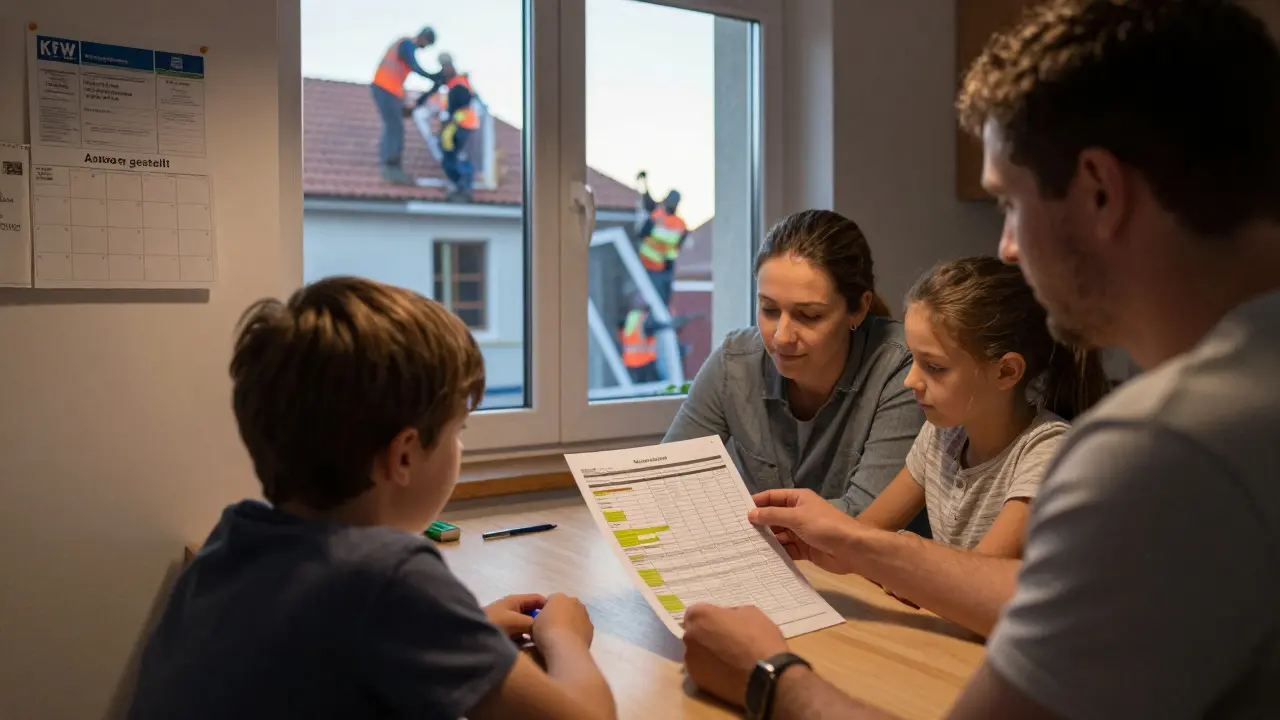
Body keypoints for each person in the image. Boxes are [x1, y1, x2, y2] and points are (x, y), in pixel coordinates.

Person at [678, 1, 1280, 717]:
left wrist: (768, 673)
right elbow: (1038, 591)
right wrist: (854, 542)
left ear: (1099, 191)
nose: (1007, 248)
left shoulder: (1165, 448)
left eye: (1010, 203)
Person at [126, 277, 617, 720]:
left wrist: (461, 633)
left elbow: (326, 643)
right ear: (403, 455)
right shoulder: (391, 576)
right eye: (457, 431)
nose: (460, 446)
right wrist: (564, 639)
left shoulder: (231, 541)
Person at [854, 256, 1109, 615]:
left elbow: (974, 589)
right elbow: (865, 533)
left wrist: (903, 556)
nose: (910, 380)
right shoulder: (942, 434)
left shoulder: (1047, 452)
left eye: (935, 367)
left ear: (1005, 372)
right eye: (913, 358)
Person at [666, 209, 926, 524]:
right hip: (774, 562)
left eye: (809, 315)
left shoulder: (902, 368)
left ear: (858, 308)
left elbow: (865, 521)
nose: (782, 336)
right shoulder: (734, 362)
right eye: (769, 309)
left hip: (866, 571)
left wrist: (742, 520)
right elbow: (666, 485)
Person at [371, 27, 444, 185]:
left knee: (394, 125)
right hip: (384, 87)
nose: (425, 47)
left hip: (391, 91)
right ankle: (391, 167)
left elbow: (403, 76)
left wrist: (407, 103)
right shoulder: (406, 44)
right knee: (395, 126)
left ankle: (390, 164)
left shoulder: (407, 47)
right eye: (427, 43)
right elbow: (415, 66)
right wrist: (433, 76)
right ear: (423, 37)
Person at [634, 171, 688, 307]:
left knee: (655, 302)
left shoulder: (658, 217)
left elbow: (642, 232)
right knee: (659, 301)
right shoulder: (679, 224)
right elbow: (649, 202)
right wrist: (644, 184)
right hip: (659, 268)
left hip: (655, 268)